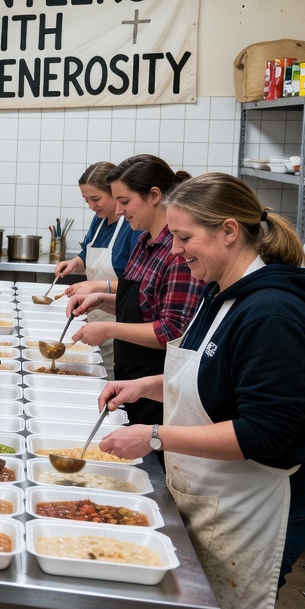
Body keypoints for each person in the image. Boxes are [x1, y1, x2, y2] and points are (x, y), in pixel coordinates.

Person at [98, 173, 305, 609]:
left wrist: (155, 435)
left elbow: (265, 431)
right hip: (211, 494)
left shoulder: (272, 313)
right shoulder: (219, 291)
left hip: (251, 504)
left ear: (228, 231)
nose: (175, 251)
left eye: (183, 238)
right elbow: (209, 379)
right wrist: (146, 386)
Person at [67, 155, 206, 427]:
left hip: (158, 388)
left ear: (154, 195)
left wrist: (109, 330)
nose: (118, 211)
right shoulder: (144, 241)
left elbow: (172, 331)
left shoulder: (176, 253)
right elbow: (143, 307)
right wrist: (102, 300)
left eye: (125, 201)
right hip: (132, 379)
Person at [56, 162, 141, 372]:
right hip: (94, 317)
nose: (91, 206)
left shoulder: (133, 228)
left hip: (120, 324)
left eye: (96, 199)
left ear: (114, 193)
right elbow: (87, 252)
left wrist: (98, 286)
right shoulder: (99, 221)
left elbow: (138, 287)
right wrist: (75, 263)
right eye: (87, 200)